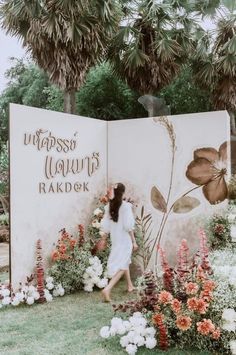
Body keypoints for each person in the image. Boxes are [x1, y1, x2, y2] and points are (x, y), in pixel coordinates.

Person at [100, 183, 138, 302]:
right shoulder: (126, 206)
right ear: (122, 193)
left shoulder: (108, 207)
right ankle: (108, 289)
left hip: (115, 239)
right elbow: (128, 227)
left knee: (124, 261)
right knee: (123, 263)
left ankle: (130, 285)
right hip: (124, 239)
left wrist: (104, 239)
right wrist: (134, 242)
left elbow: (105, 226)